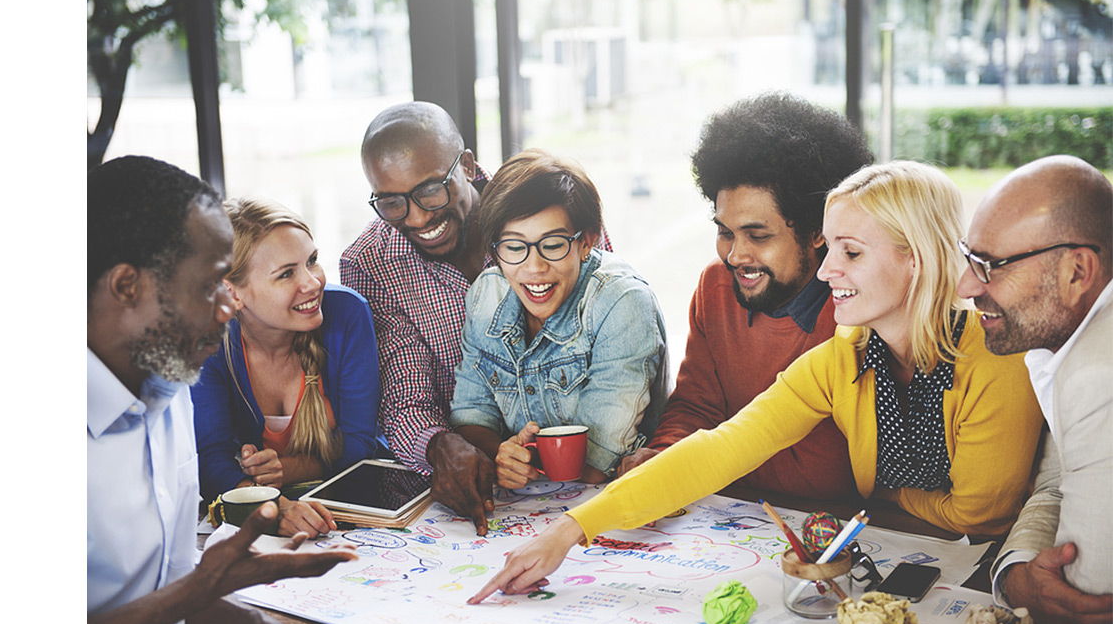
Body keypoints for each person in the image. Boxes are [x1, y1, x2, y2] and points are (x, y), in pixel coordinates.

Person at [468, 161, 1045, 604]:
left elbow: (978, 515)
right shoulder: (844, 355)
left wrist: (880, 497)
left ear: (914, 259)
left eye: (849, 251)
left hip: (984, 579)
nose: (826, 270)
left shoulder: (994, 353)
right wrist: (570, 530)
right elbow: (725, 446)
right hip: (900, 558)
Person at [87, 156, 357, 624]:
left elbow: (166, 588)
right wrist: (202, 590)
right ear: (128, 286)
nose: (231, 306)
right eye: (212, 283)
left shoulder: (168, 392)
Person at [614, 92, 873, 500]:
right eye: (724, 232)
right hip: (733, 522)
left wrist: (696, 463)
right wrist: (663, 455)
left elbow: (840, 471)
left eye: (758, 235)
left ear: (817, 230)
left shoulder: (855, 309)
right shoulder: (716, 288)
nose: (736, 255)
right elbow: (697, 407)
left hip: (829, 528)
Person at [449, 149, 667, 491]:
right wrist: (503, 454)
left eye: (552, 245)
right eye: (514, 247)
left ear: (587, 242)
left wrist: (515, 460)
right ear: (494, 251)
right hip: (526, 508)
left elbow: (597, 461)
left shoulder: (622, 302)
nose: (534, 267)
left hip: (612, 501)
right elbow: (470, 418)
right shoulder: (485, 296)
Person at [962, 155, 1113, 624]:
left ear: (1077, 271)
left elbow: (1084, 597)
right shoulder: (1062, 341)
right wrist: (1017, 572)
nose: (966, 287)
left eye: (990, 267)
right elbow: (1059, 479)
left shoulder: (1098, 373)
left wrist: (1023, 586)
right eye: (969, 259)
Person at [340, 102, 496, 534]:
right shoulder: (370, 262)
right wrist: (438, 444)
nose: (418, 217)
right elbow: (405, 396)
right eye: (391, 202)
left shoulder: (548, 204)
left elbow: (613, 332)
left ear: (465, 165)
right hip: (473, 479)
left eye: (430, 191)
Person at [192, 197, 383, 537]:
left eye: (312, 261)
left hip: (352, 509)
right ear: (233, 294)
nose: (312, 283)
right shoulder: (208, 341)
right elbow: (209, 459)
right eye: (286, 274)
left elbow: (360, 443)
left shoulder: (348, 313)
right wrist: (274, 506)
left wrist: (285, 470)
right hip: (266, 518)